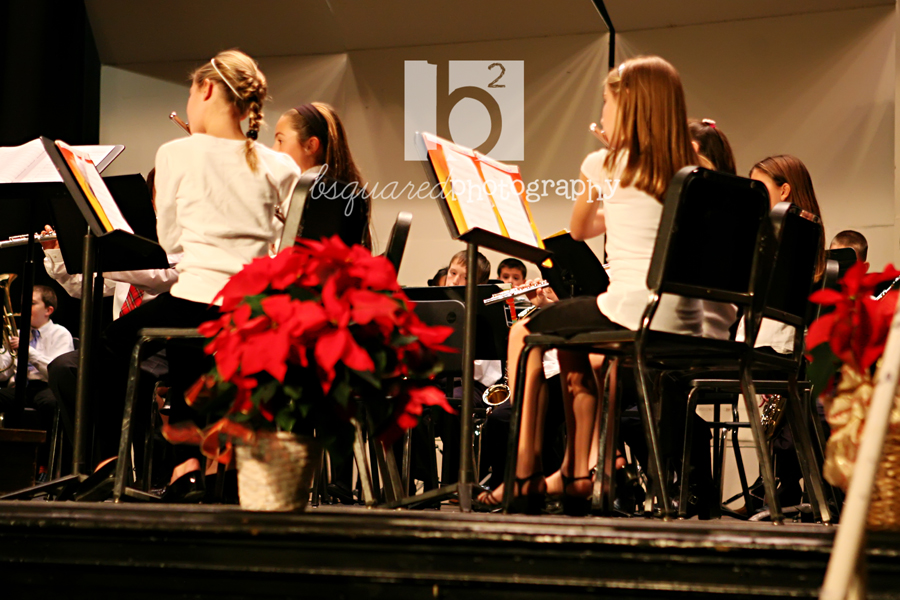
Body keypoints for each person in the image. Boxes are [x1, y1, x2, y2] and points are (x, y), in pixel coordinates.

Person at [478, 56, 711, 514]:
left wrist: (608, 175)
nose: (602, 111)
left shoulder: (603, 162)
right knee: (572, 341)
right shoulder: (699, 170)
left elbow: (580, 228)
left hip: (632, 311)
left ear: (628, 106)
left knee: (524, 331)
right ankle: (577, 472)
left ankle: (522, 474)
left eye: (606, 101)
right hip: (685, 321)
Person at [103, 49, 300, 499]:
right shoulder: (281, 165)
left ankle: (122, 464)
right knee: (201, 339)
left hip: (196, 302)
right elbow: (287, 245)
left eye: (190, 92)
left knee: (114, 342)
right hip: (256, 310)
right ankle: (217, 469)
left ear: (206, 89)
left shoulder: (175, 153)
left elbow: (171, 243)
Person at [272, 102, 371, 249]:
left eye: (280, 141)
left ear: (310, 145)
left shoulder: (302, 193)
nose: (273, 149)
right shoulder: (348, 195)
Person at [0, 286, 74, 434]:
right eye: (24, 304)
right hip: (19, 389)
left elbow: (57, 373)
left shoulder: (60, 334)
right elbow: (3, 373)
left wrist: (28, 351)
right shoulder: (18, 334)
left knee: (52, 403)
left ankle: (47, 446)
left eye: (32, 303)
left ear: (48, 310)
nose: (25, 309)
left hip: (45, 388)